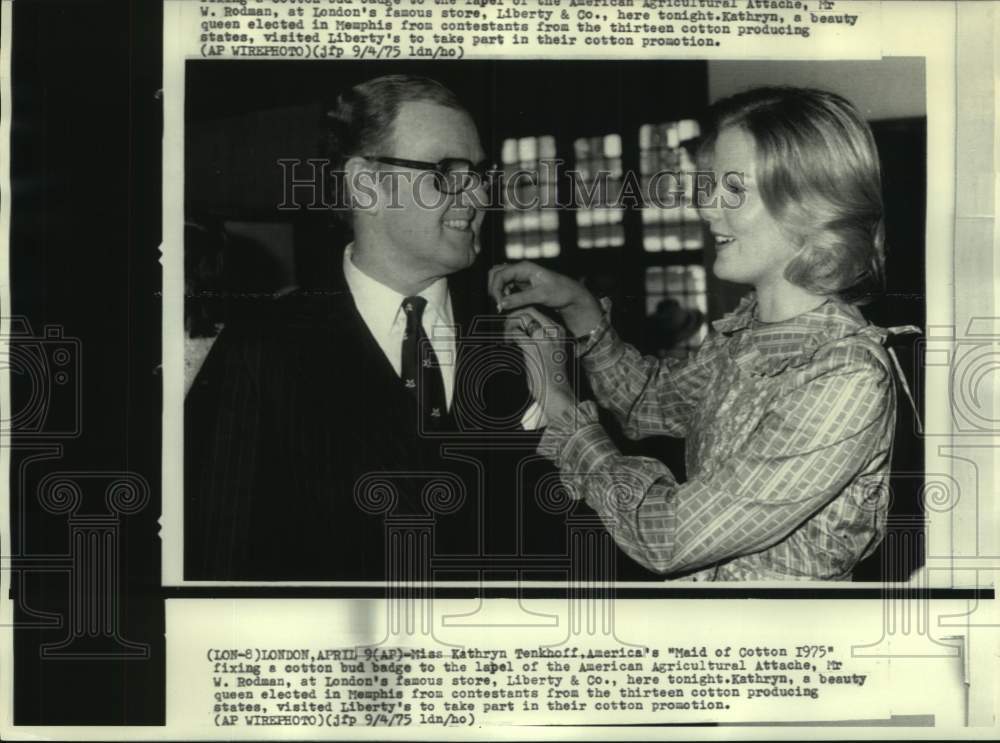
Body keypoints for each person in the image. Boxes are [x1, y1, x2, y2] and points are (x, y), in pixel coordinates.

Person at [491, 87, 912, 581]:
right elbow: (646, 402)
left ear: (809, 203)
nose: (708, 208)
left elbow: (670, 537)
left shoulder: (846, 376)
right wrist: (578, 305)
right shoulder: (752, 333)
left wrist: (560, 405)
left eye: (734, 189)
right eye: (710, 185)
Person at [185, 75, 541, 580]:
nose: (479, 195)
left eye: (480, 173)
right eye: (446, 172)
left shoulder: (525, 335)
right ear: (366, 186)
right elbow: (213, 560)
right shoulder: (262, 352)